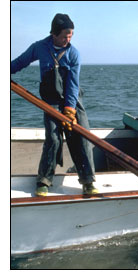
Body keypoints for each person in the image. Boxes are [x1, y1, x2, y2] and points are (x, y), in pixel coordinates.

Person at [11, 13, 98, 196]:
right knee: (53, 138)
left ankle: (88, 181)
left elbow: (73, 84)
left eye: (71, 35)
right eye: (65, 35)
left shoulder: (74, 54)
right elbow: (20, 62)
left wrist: (69, 109)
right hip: (50, 100)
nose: (68, 39)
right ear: (54, 34)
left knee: (81, 138)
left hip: (72, 100)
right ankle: (44, 181)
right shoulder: (39, 47)